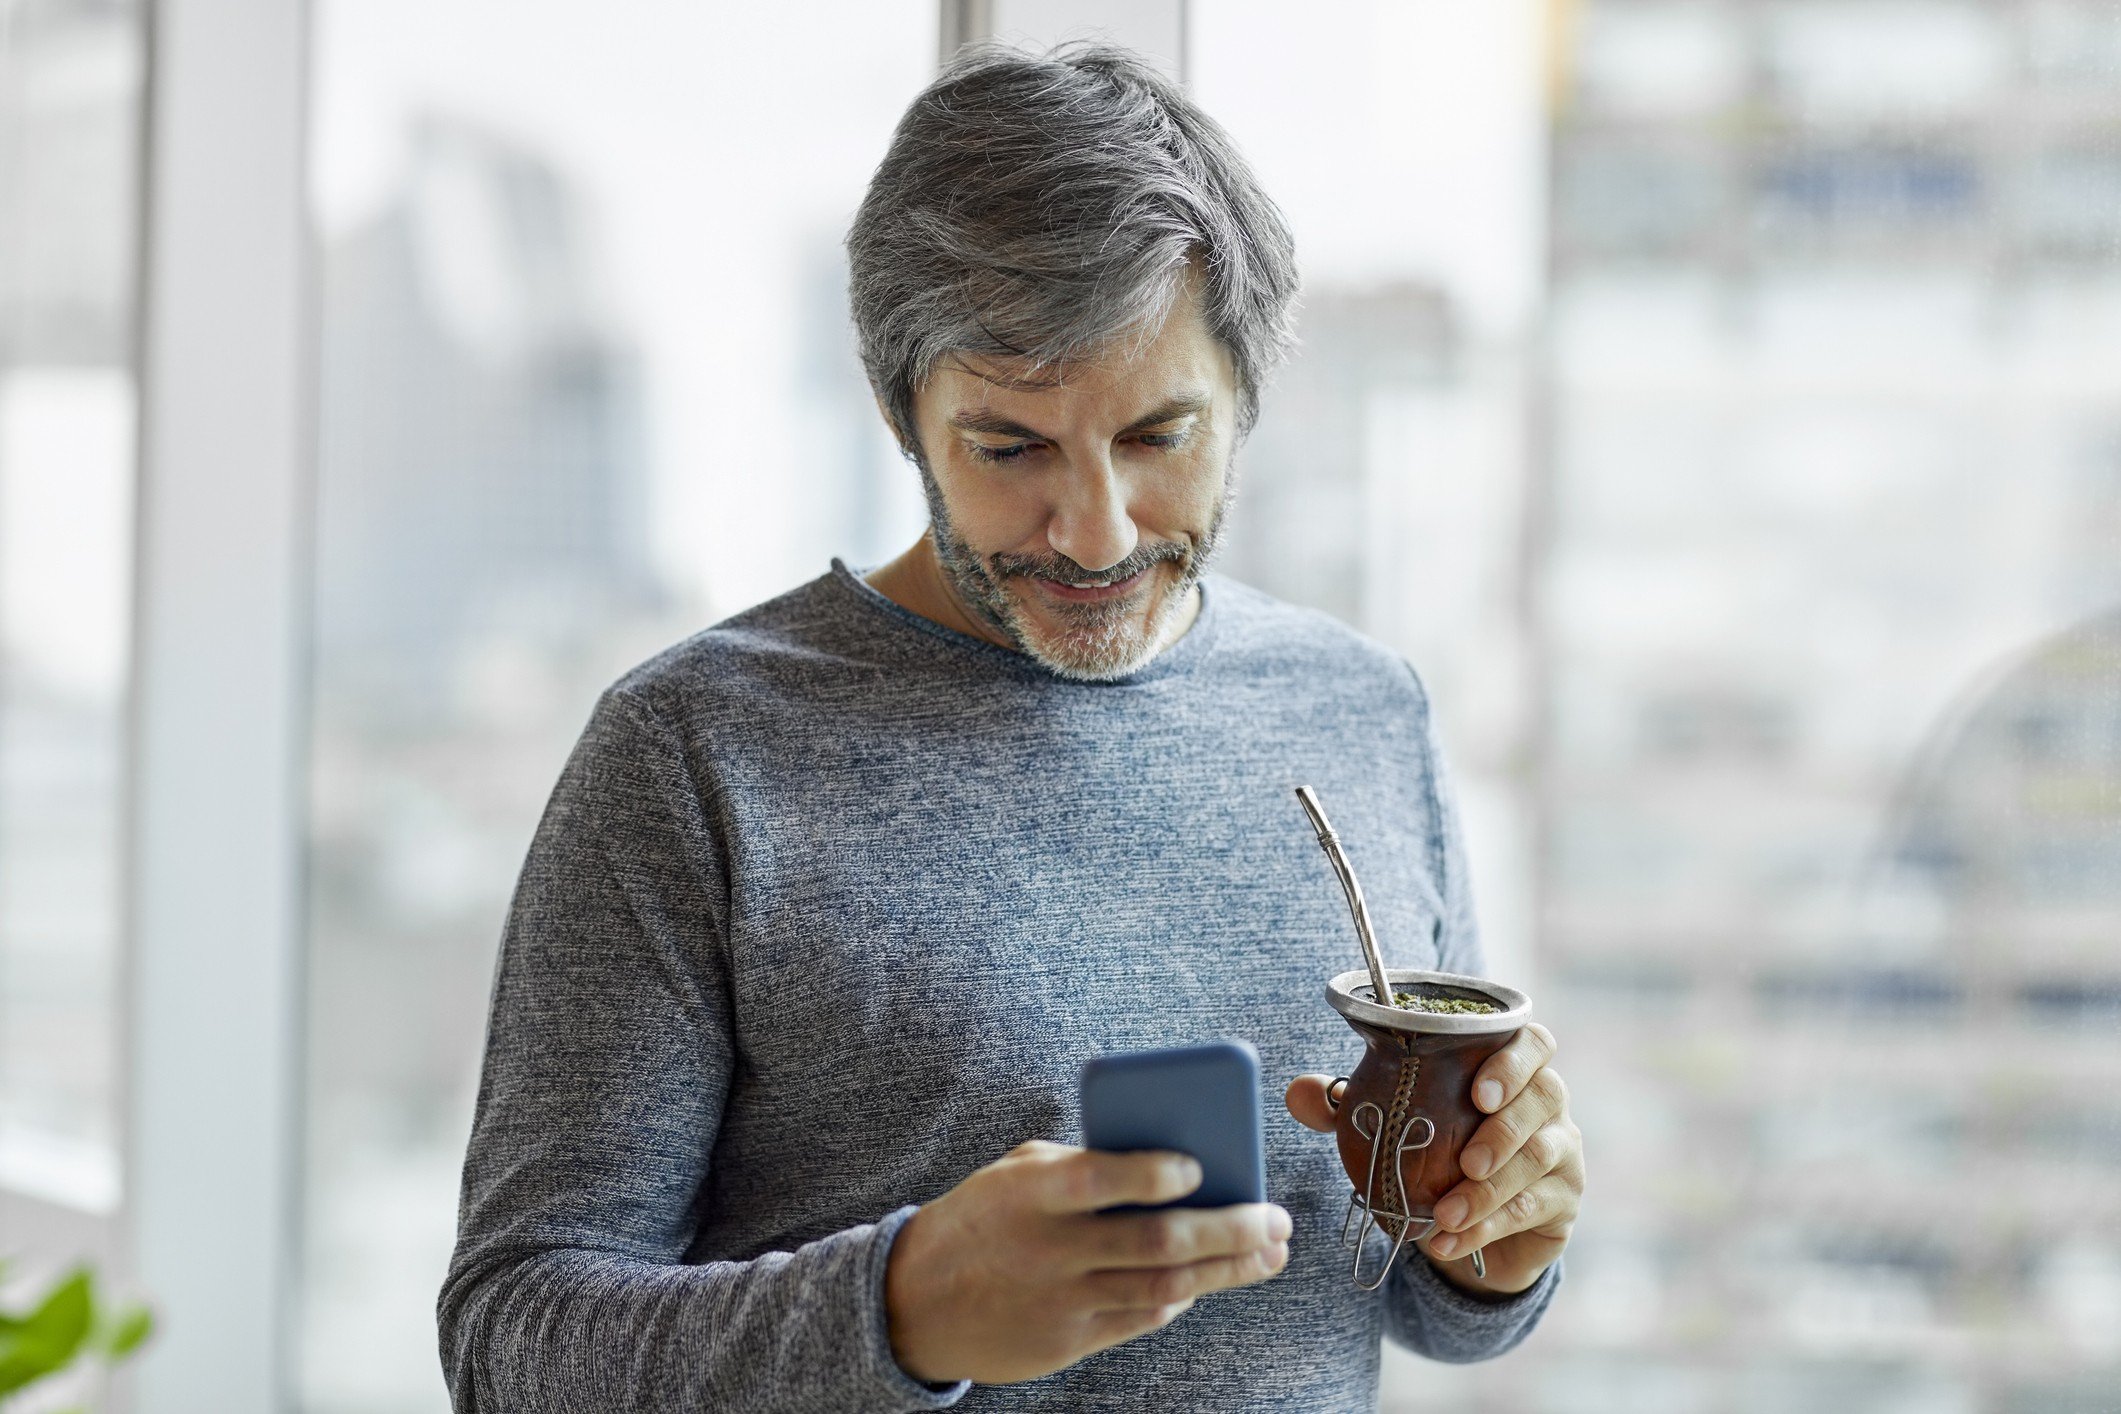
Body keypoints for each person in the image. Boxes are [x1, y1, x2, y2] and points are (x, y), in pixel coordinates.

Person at [439, 39, 1582, 1411]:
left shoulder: (1360, 709)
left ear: (1249, 398)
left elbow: (1413, 1296)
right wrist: (902, 1303)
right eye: (1010, 447)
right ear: (898, 412)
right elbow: (513, 1345)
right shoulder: (694, 751)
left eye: (1158, 438)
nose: (1093, 530)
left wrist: (1490, 1252)